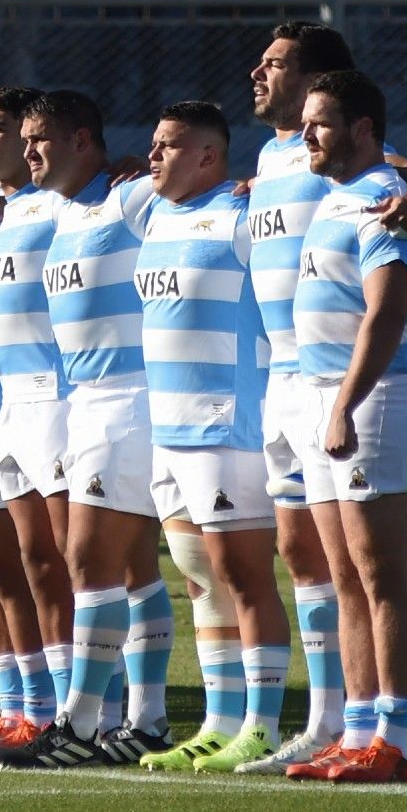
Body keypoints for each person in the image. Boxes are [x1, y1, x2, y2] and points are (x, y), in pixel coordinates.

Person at [237, 21, 407, 774]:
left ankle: (395, 736)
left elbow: (388, 311)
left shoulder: (380, 191)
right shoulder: (320, 185)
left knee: (380, 571)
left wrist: (342, 403)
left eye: (322, 124)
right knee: (342, 572)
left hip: (372, 394)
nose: (308, 137)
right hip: (312, 388)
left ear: (353, 126)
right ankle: (355, 732)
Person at [0, 91, 172, 769]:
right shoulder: (63, 213)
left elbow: (204, 203)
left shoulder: (128, 199)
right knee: (127, 569)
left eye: (39, 138)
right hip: (83, 403)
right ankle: (145, 721)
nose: (28, 149)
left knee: (87, 561)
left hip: (130, 400)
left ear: (82, 141)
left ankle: (81, 722)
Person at [128, 101, 292, 773]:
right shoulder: (150, 212)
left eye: (168, 147)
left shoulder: (243, 215)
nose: (153, 157)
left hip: (227, 425)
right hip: (167, 430)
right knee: (199, 579)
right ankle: (219, 721)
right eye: (153, 144)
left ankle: (263, 724)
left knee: (245, 577)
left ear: (209, 156)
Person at [0, 86, 75, 758]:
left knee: (69, 564)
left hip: (60, 401)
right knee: (26, 565)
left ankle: (90, 708)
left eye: (1, 130)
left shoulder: (67, 205)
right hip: (12, 407)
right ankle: (32, 707)